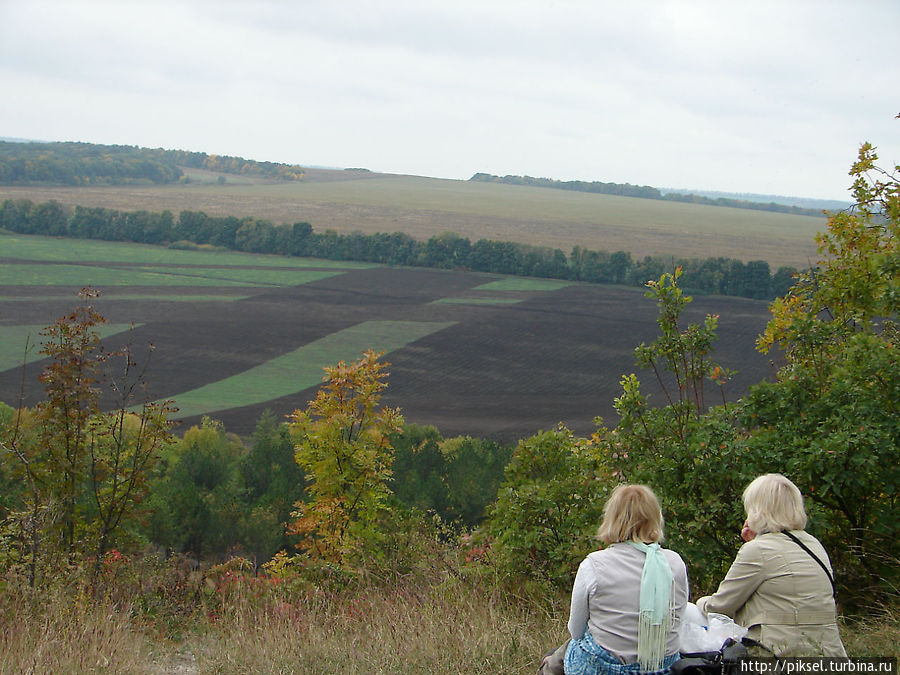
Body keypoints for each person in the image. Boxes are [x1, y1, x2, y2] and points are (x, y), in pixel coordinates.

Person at [540, 484, 689, 675]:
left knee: (555, 660)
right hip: (663, 667)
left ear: (612, 518)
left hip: (605, 668)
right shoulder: (675, 563)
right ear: (655, 518)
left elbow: (576, 630)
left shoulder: (594, 565)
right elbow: (679, 617)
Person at [696, 473, 846, 657]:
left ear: (757, 509)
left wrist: (700, 603)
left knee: (692, 616)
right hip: (829, 654)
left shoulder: (758, 550)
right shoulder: (813, 544)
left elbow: (721, 607)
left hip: (781, 656)